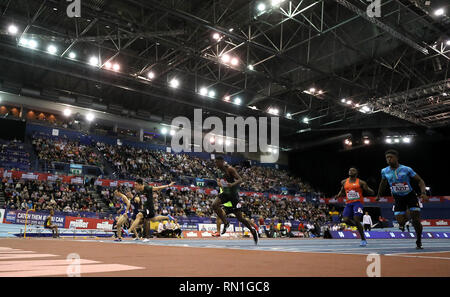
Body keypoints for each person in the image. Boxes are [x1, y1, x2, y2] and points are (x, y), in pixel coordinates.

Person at [376, 149, 428, 249]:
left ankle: (419, 240)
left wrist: (423, 193)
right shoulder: (384, 171)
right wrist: (378, 195)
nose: (389, 159)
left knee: (416, 220)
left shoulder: (407, 169)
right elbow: (383, 183)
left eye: (391, 157)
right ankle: (407, 215)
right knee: (400, 221)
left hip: (410, 196)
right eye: (387, 158)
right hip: (398, 198)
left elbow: (420, 180)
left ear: (397, 158)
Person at [213, 156, 258, 244]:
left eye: (217, 162)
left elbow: (240, 179)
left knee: (240, 218)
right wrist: (219, 183)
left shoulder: (230, 169)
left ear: (222, 162)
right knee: (214, 205)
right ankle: (226, 223)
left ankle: (252, 230)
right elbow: (219, 180)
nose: (216, 164)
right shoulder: (218, 171)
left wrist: (232, 184)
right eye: (215, 162)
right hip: (225, 194)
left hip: (234, 196)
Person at [335, 167, 375, 247]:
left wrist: (371, 191)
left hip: (358, 203)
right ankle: (359, 226)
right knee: (345, 220)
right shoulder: (344, 182)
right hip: (349, 203)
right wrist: (338, 195)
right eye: (349, 170)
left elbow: (369, 190)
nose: (350, 171)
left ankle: (363, 239)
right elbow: (342, 190)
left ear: (356, 173)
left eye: (353, 170)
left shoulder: (361, 182)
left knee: (356, 219)